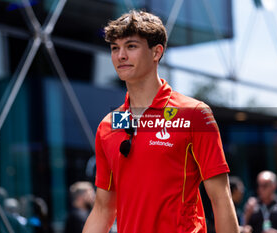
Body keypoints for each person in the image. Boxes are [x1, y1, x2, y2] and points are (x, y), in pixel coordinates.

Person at [83, 10, 239, 233]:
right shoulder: (109, 125)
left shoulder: (194, 114)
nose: (121, 55)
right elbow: (102, 209)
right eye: (115, 48)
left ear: (156, 52)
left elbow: (221, 200)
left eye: (131, 46)